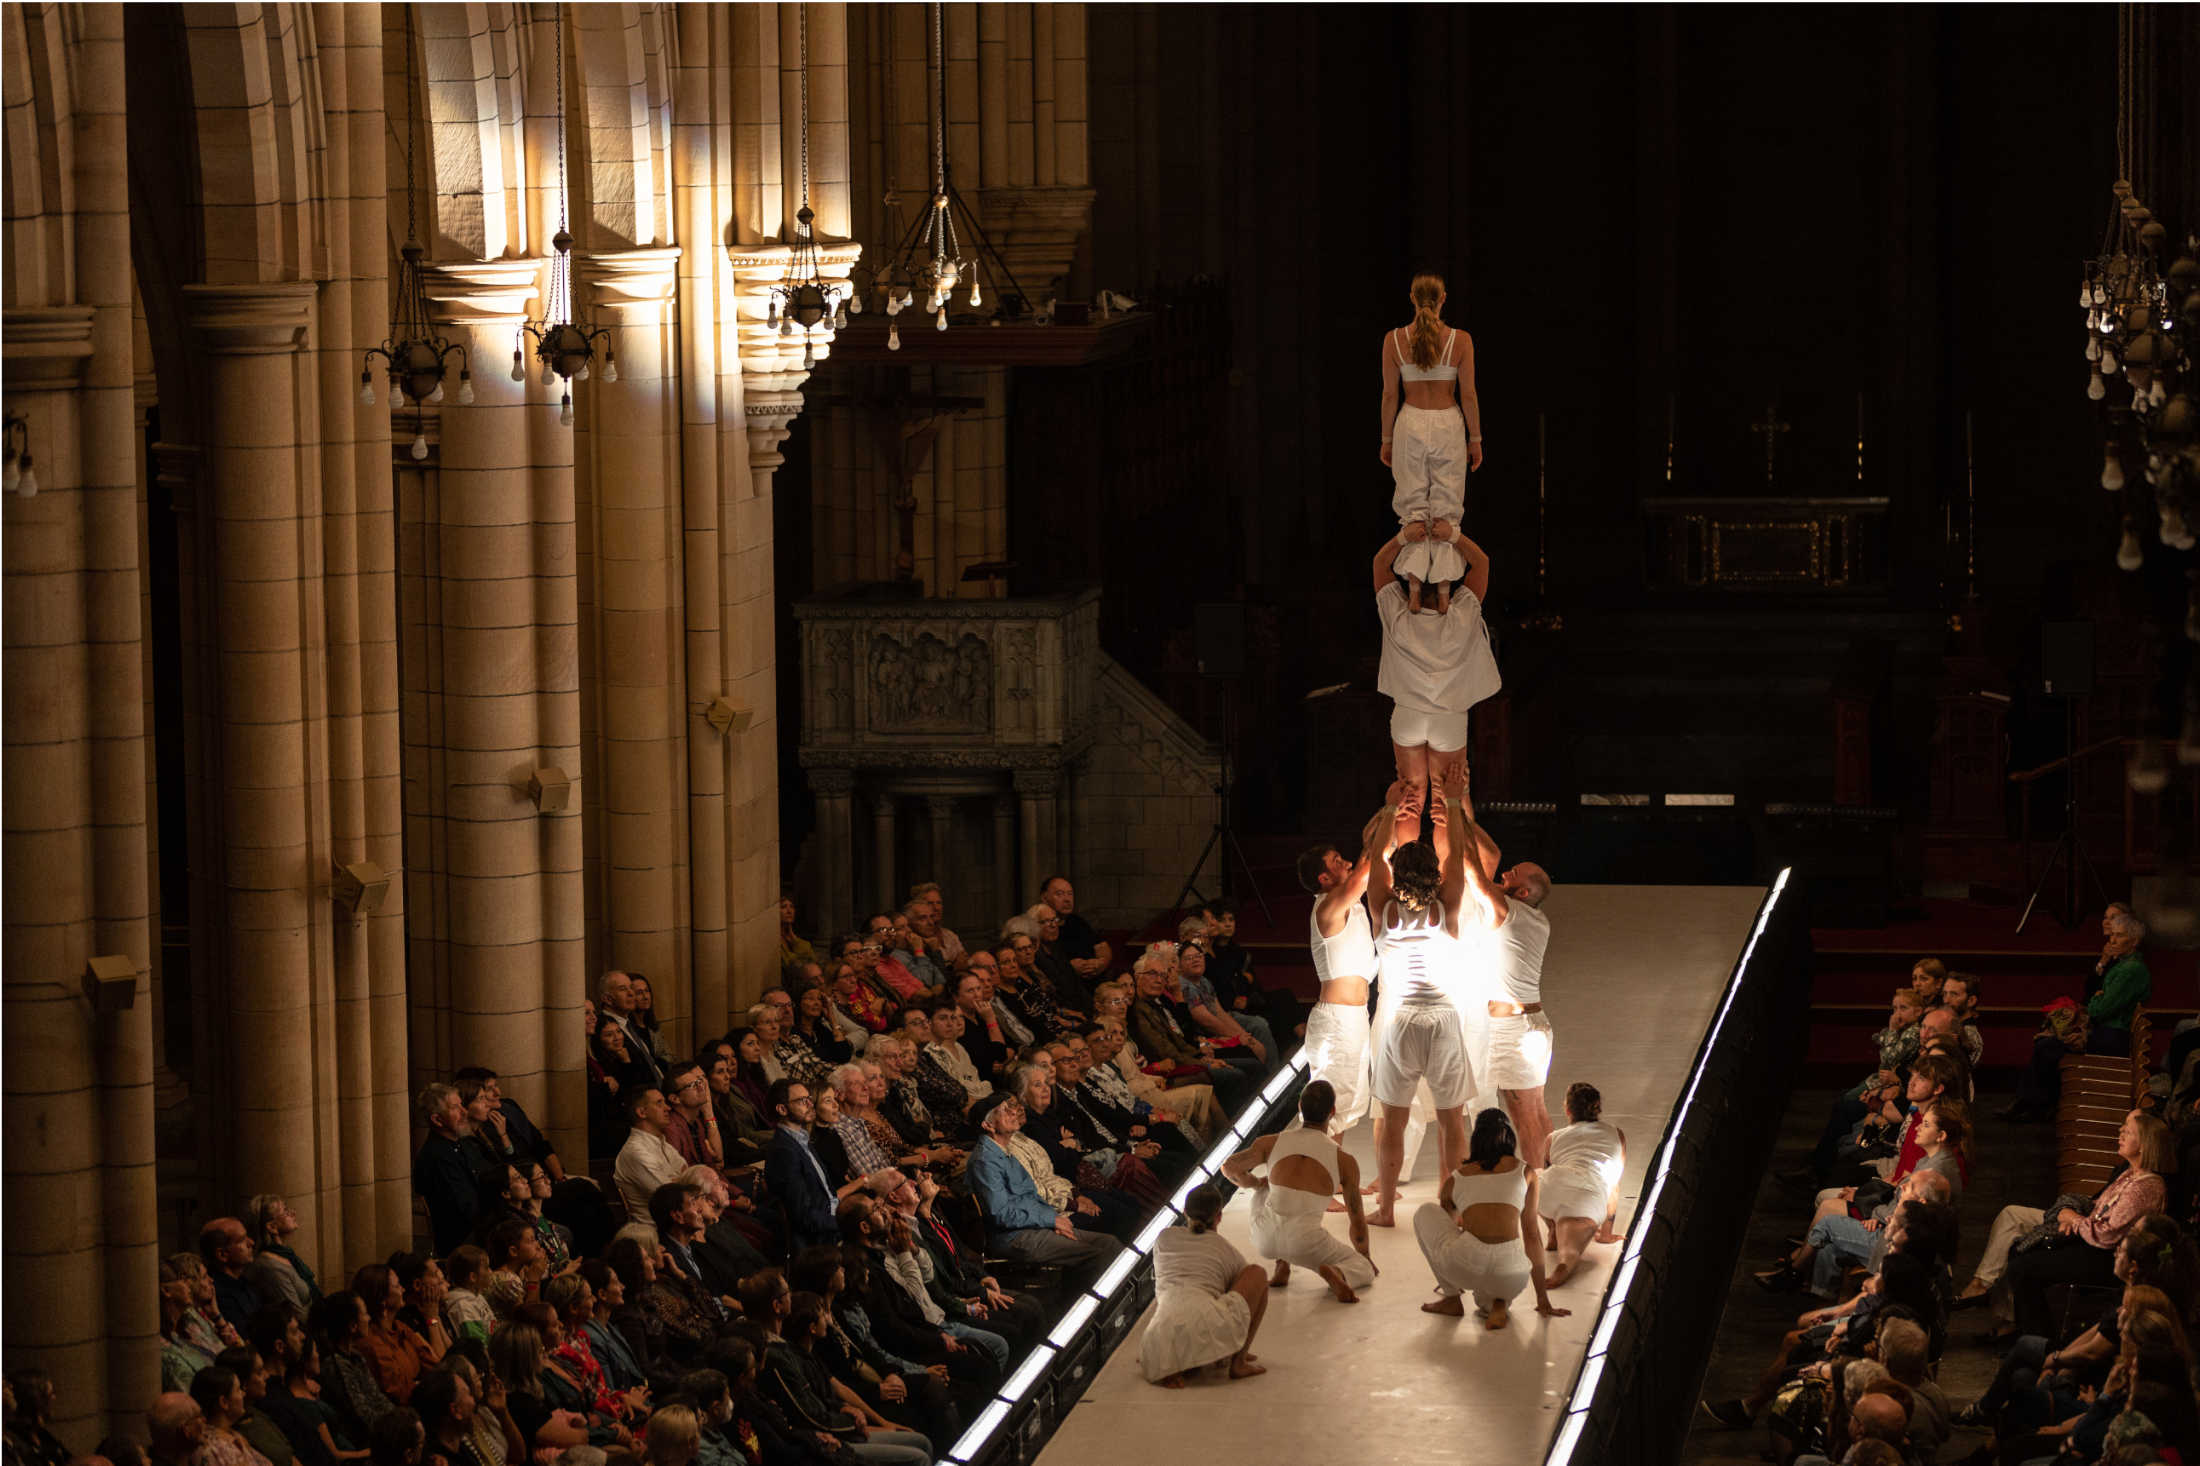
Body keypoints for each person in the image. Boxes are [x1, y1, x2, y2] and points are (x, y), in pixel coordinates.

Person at [1366, 762, 1479, 1227]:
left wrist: (1393, 806)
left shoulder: (1384, 908)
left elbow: (1374, 859)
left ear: (1396, 874)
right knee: (1452, 1120)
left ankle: (1388, 1207)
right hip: (1443, 1018)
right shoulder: (1445, 907)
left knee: (1392, 1120)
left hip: (1402, 1021)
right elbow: (1457, 859)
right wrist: (1451, 801)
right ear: (1432, 874)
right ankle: (1451, 1203)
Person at [1448, 766, 1555, 1167]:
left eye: (1513, 874)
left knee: (1526, 1111)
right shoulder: (1527, 915)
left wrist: (1456, 803)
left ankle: (1541, 1182)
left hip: (1518, 1027)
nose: (1505, 872)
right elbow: (1481, 853)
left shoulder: (1509, 912)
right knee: (1517, 1107)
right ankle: (1529, 1177)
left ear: (1523, 891)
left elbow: (1475, 869)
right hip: (1510, 1025)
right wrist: (1461, 800)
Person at [1371, 525, 1499, 823]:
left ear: (1410, 581)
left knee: (1410, 803)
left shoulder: (1397, 615)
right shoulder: (1463, 613)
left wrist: (1405, 537)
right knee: (1446, 805)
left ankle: (1405, 866)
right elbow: (1482, 562)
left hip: (1408, 715)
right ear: (1448, 582)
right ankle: (1451, 867)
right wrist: (1451, 535)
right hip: (1448, 719)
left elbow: (1380, 563)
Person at [1378, 273, 1483, 613]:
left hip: (1410, 422)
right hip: (1446, 424)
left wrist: (1387, 438)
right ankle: (1441, 590)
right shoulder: (1460, 340)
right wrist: (1475, 438)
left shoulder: (1394, 340)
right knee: (1446, 503)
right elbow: (1468, 394)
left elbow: (1390, 395)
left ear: (1412, 298)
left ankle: (1413, 586)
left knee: (1413, 504)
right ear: (1443, 299)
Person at [1221, 1080, 1376, 1302]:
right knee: (1363, 1269)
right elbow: (1357, 1220)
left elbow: (1229, 1167)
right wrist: (1365, 1257)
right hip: (1306, 1244)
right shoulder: (1344, 1161)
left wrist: (1254, 1183)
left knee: (1265, 1189)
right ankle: (1339, 1274)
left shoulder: (1270, 1143)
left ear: (1299, 1108)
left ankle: (1281, 1266)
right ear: (1332, 1112)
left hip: (1264, 1238)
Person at [1413, 1108, 1568, 1330]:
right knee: (1494, 1278)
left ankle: (1451, 1298)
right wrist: (1542, 1299)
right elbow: (1532, 1235)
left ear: (1475, 1140)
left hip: (1467, 1264)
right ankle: (1498, 1303)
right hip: (1513, 1274)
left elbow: (1451, 1225)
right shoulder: (1525, 1173)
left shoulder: (1457, 1178)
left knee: (1425, 1212)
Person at [1295, 804, 1391, 1146]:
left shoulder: (1347, 902)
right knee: (1329, 1103)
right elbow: (1365, 867)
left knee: (1347, 1100)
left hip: (1353, 1017)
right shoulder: (1328, 907)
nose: (1345, 862)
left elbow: (1366, 852)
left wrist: (1386, 811)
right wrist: (1391, 810)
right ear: (1323, 878)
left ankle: (1329, 1174)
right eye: (1337, 862)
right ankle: (1313, 1174)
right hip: (1337, 1020)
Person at [2005, 905, 2152, 1121]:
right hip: (2106, 1030)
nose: (2112, 941)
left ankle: (2035, 1104)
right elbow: (2095, 995)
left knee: (2048, 1046)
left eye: (2119, 937)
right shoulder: (2122, 964)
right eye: (2112, 935)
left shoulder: (2131, 970)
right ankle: (2037, 1102)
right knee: (2052, 1032)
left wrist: (2096, 1000)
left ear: (2134, 941)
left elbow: (2099, 1009)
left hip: (2113, 1036)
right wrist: (2098, 996)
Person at [965, 1094, 1122, 1275]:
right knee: (1099, 1256)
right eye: (1004, 1111)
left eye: (1011, 1108)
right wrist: (1051, 1220)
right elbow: (1001, 1214)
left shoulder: (1005, 1151)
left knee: (1110, 1244)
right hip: (1014, 1236)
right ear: (988, 1125)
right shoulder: (984, 1161)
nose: (1013, 1113)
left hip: (1035, 1226)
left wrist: (1053, 1221)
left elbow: (1032, 1196)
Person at [1137, 1186, 1268, 1387]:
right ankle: (1238, 1361)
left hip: (1156, 1336)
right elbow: (1239, 1295)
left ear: (1184, 1212)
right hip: (1205, 1323)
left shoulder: (1164, 1237)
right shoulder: (1226, 1250)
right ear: (1219, 1216)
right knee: (1256, 1274)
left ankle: (1178, 1361)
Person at [1538, 1082, 1627, 1288]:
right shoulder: (1616, 1134)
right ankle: (1564, 1264)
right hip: (1588, 1193)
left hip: (1551, 1188)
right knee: (1571, 1250)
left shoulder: (1553, 1137)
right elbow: (1614, 1185)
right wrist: (1605, 1234)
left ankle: (1552, 1229)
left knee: (1539, 1177)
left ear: (1568, 1110)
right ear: (1597, 1109)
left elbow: (1547, 1171)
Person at [764, 1079, 844, 1253]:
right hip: (820, 1241)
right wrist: (843, 1223)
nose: (810, 1104)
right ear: (782, 1109)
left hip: (831, 1221)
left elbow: (828, 1194)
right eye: (802, 1101)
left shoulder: (802, 1138)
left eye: (809, 1098)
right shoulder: (783, 1151)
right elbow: (803, 1216)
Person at [613, 1088, 689, 1224]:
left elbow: (688, 1175)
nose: (668, 1108)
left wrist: (679, 1181)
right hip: (657, 1232)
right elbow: (670, 1196)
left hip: (680, 1221)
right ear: (642, 1113)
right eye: (659, 1103)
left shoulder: (663, 1143)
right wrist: (683, 1181)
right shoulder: (636, 1151)